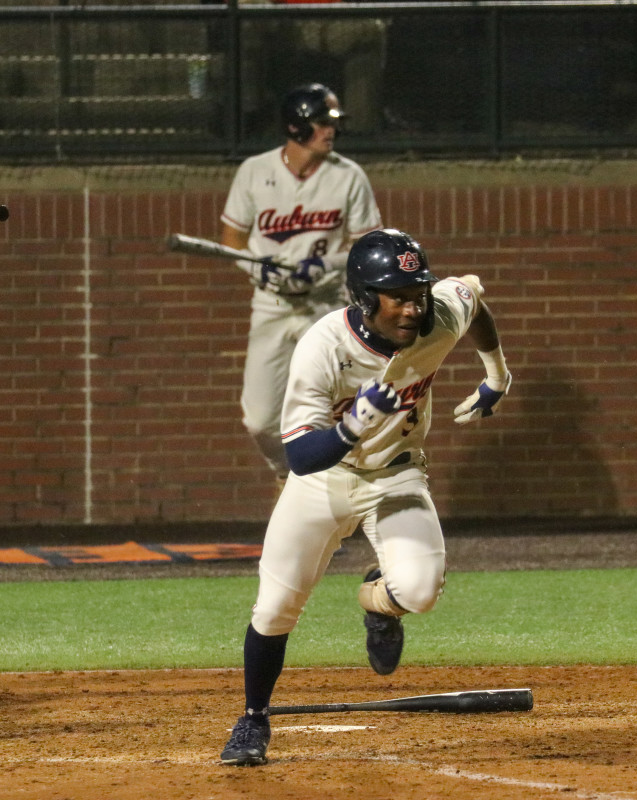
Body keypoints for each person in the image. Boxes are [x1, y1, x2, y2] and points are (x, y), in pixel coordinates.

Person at [219, 228, 512, 766]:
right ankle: (253, 719)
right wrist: (355, 426)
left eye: (417, 293)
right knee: (276, 608)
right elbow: (301, 458)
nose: (412, 307)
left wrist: (496, 375)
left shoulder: (437, 314)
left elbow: (472, 298)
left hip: (396, 476)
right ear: (362, 296)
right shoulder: (323, 347)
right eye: (397, 296)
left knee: (420, 591)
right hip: (321, 483)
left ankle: (378, 603)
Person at [220, 82, 382, 481]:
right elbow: (232, 240)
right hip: (273, 306)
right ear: (296, 128)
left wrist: (326, 263)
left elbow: (366, 242)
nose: (331, 131)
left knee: (328, 406)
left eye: (333, 123)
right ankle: (285, 471)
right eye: (322, 123)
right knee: (259, 420)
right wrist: (258, 268)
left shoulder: (348, 176)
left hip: (324, 305)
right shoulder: (255, 171)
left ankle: (327, 496)